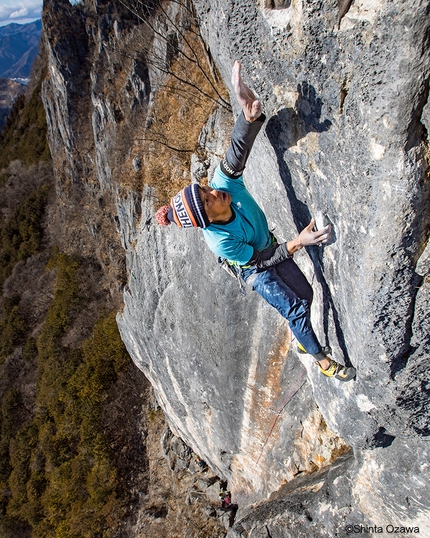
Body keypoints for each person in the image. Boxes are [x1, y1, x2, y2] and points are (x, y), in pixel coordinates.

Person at [156, 61, 355, 382]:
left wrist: (248, 116)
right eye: (208, 199)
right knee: (295, 308)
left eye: (205, 188)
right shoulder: (219, 240)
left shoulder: (225, 186)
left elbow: (236, 152)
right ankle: (323, 362)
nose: (214, 192)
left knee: (306, 294)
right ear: (207, 218)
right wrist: (298, 244)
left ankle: (302, 342)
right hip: (255, 269)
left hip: (268, 246)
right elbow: (262, 261)